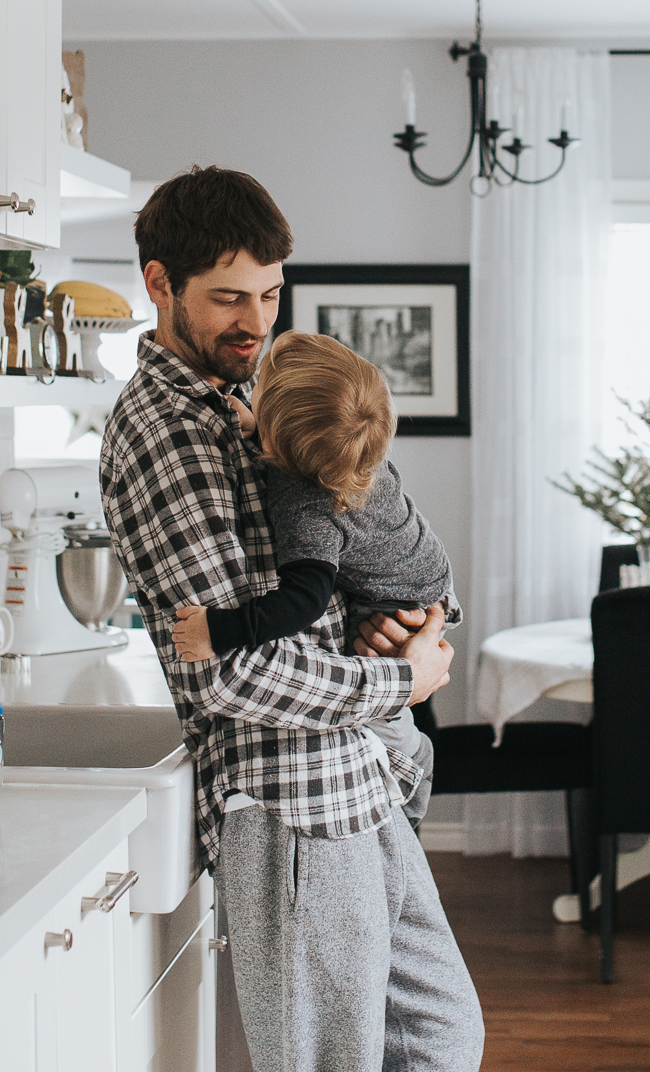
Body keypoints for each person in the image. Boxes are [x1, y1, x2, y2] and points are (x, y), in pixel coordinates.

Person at [100, 165, 484, 1072]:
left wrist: (397, 625)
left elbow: (358, 534)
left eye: (270, 294)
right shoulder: (165, 433)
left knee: (443, 1037)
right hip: (291, 808)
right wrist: (406, 676)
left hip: (361, 781)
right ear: (158, 284)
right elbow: (226, 671)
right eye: (229, 298)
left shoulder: (249, 402)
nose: (258, 322)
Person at [171, 329, 462, 828]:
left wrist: (218, 630)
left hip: (399, 604)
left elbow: (301, 602)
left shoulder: (308, 506)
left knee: (386, 724)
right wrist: (258, 419)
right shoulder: (353, 450)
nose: (251, 387)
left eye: (259, 385)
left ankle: (411, 789)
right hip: (423, 573)